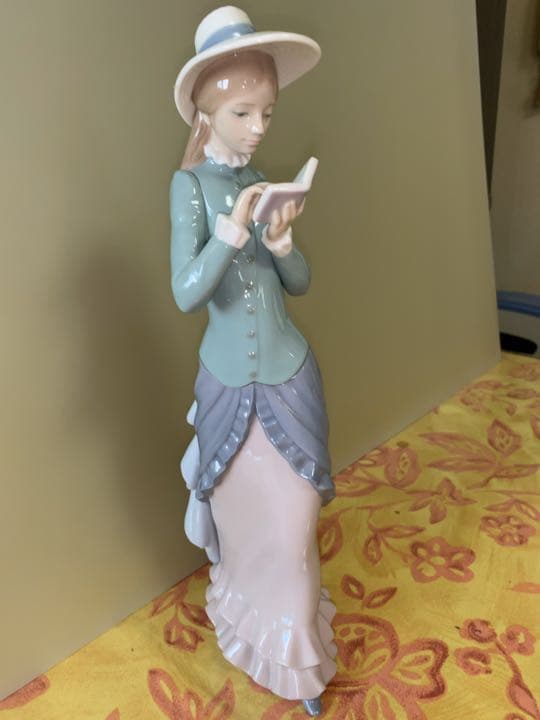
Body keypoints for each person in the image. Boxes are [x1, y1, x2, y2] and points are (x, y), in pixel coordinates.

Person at [170, 7, 337, 716]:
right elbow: (186, 292)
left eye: (267, 111)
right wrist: (231, 234)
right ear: (207, 112)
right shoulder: (189, 189)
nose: (260, 127)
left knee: (296, 526)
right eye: (244, 112)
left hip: (290, 379)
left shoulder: (264, 179)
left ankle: (299, 657)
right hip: (227, 386)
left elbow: (299, 285)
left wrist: (280, 245)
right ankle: (254, 630)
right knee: (249, 528)